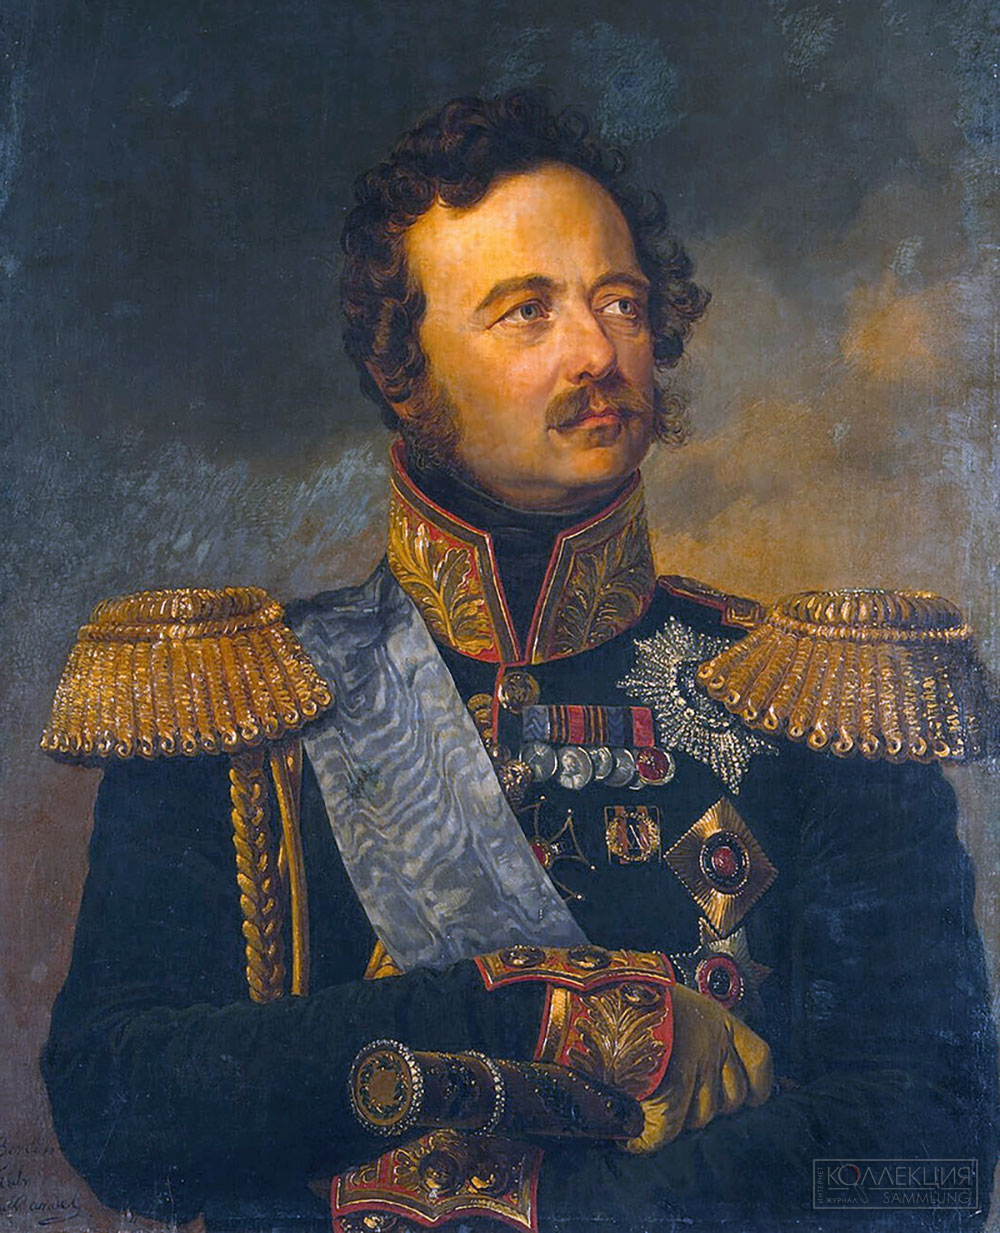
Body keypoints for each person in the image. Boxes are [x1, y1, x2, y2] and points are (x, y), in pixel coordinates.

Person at [40, 93, 996, 1233]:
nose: (597, 352)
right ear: (405, 371)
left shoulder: (818, 705)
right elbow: (119, 1114)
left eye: (619, 302)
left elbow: (930, 1164)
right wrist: (527, 1010)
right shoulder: (239, 699)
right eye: (526, 311)